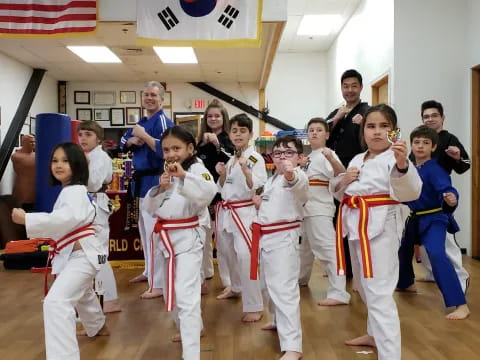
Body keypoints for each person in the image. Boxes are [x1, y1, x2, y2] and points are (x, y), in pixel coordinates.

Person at [331, 104, 422, 360]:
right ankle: (373, 334)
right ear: (363, 131)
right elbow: (340, 193)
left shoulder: (396, 157)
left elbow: (411, 192)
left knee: (380, 292)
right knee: (365, 286)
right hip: (355, 225)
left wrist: (403, 164)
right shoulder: (358, 159)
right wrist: (344, 182)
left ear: (394, 131)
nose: (377, 132)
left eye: (385, 126)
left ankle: (390, 355)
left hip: (381, 227)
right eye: (371, 126)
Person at [11, 142, 108, 360]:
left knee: (56, 302)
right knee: (82, 292)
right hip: (80, 254)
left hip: (83, 256)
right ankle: (97, 325)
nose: (58, 165)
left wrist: (27, 218)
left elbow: (65, 220)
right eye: (55, 160)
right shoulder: (71, 191)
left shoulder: (74, 191)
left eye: (65, 161)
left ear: (77, 165)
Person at [143, 126, 217, 360]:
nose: (171, 154)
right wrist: (160, 189)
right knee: (170, 292)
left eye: (176, 148)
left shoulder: (197, 169)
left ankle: (191, 353)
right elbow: (150, 208)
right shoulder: (165, 173)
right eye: (166, 150)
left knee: (186, 293)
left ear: (190, 148)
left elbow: (209, 192)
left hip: (188, 236)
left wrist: (184, 176)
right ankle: (192, 327)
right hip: (167, 238)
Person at [397, 125, 470, 320]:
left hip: (434, 217)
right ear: (411, 145)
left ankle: (460, 303)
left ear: (433, 147)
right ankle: (406, 283)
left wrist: (451, 198)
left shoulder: (435, 169)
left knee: (437, 253)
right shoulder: (410, 168)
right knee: (404, 250)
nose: (420, 146)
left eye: (426, 143)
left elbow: (447, 188)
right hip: (416, 217)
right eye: (417, 142)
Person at [251, 135, 308, 360]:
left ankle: (293, 346)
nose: (282, 157)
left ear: (300, 158)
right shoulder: (272, 179)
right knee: (267, 286)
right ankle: (276, 320)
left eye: (289, 153)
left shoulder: (298, 176)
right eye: (278, 153)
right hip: (265, 237)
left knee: (284, 289)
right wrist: (260, 203)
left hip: (284, 238)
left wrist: (291, 173)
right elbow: (272, 205)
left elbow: (300, 189)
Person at [120, 81, 174, 299]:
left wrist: (142, 136)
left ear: (161, 99)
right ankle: (149, 272)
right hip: (140, 182)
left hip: (155, 179)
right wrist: (132, 138)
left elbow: (165, 151)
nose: (149, 98)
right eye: (146, 95)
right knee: (144, 233)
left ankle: (159, 283)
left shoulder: (162, 121)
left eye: (153, 95)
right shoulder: (141, 121)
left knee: (155, 234)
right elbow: (123, 140)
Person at [215, 113, 267, 322]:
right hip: (228, 212)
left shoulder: (255, 158)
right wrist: (222, 174)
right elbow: (223, 187)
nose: (238, 134)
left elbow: (258, 185)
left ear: (251, 134)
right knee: (228, 253)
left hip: (245, 213)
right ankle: (236, 287)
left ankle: (255, 305)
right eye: (234, 131)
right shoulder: (231, 158)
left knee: (246, 257)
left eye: (242, 131)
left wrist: (246, 170)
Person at [414, 100, 470, 291]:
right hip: (421, 198)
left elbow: (465, 164)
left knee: (445, 241)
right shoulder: (420, 139)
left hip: (441, 196)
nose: (430, 119)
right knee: (423, 243)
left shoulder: (449, 139)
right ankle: (431, 273)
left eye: (434, 115)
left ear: (442, 117)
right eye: (426, 116)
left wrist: (457, 156)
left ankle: (461, 278)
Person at [298, 118, 350, 306]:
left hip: (319, 208)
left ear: (327, 134)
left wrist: (330, 158)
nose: (314, 133)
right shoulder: (308, 157)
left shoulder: (328, 153)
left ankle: (339, 292)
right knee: (303, 250)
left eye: (319, 130)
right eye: (311, 130)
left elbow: (341, 173)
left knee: (327, 250)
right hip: (304, 208)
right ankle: (301, 279)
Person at [325, 69, 370, 279]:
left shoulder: (370, 111)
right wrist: (337, 118)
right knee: (338, 220)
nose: (349, 90)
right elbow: (315, 133)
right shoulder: (338, 112)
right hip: (335, 175)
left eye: (354, 86)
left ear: (361, 87)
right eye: (346, 86)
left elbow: (394, 133)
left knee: (356, 221)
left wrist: (366, 125)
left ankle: (361, 267)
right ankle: (343, 269)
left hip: (359, 174)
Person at [78, 121, 121, 313]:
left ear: (98, 138)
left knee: (100, 254)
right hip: (87, 206)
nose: (83, 138)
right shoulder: (88, 156)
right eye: (81, 134)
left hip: (96, 204)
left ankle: (110, 299)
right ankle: (100, 297)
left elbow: (94, 183)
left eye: (88, 134)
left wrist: (84, 167)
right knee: (90, 254)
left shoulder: (100, 157)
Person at [196, 99, 234, 293]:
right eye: (209, 116)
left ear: (223, 118)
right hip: (203, 195)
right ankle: (204, 274)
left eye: (217, 115)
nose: (213, 119)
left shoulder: (228, 139)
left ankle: (229, 282)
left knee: (223, 240)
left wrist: (217, 143)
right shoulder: (199, 141)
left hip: (222, 196)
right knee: (202, 238)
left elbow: (233, 159)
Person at [11, 134, 36, 211]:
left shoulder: (37, 155)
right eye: (30, 142)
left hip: (35, 191)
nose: (33, 144)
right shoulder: (16, 156)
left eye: (34, 142)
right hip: (22, 191)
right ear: (24, 143)